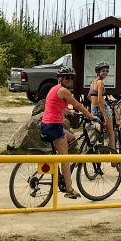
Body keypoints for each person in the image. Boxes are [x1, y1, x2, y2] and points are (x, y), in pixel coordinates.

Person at [40, 66, 94, 199]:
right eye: (66, 77)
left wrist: (69, 112)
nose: (69, 80)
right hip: (54, 126)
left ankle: (58, 164)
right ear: (60, 78)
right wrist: (90, 116)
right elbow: (78, 105)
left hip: (46, 125)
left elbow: (56, 106)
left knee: (71, 137)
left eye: (71, 78)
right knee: (65, 158)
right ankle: (69, 190)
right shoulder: (64, 91)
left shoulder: (54, 89)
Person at [89, 62, 118, 160]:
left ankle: (98, 150)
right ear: (98, 72)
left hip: (94, 108)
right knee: (111, 134)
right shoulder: (100, 82)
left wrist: (94, 105)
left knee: (98, 132)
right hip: (102, 108)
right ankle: (114, 160)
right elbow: (101, 100)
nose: (105, 73)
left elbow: (89, 96)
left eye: (106, 71)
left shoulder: (93, 82)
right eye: (103, 71)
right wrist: (105, 115)